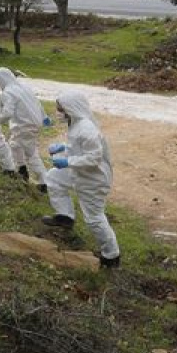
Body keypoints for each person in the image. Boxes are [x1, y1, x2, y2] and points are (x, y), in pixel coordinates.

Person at [40, 91, 121, 269]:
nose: (59, 112)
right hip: (80, 172)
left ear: (71, 109)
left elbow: (93, 158)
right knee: (53, 177)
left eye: (61, 109)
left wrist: (67, 161)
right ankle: (65, 216)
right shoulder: (76, 124)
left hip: (93, 179)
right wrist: (64, 147)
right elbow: (79, 148)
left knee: (94, 218)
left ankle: (111, 256)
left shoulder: (87, 129)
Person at [0, 67, 52, 185]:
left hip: (24, 126)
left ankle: (44, 183)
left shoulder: (8, 92)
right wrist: (44, 116)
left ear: (1, 80)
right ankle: (22, 170)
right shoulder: (23, 87)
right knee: (15, 144)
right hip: (33, 123)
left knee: (31, 154)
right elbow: (37, 102)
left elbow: (7, 113)